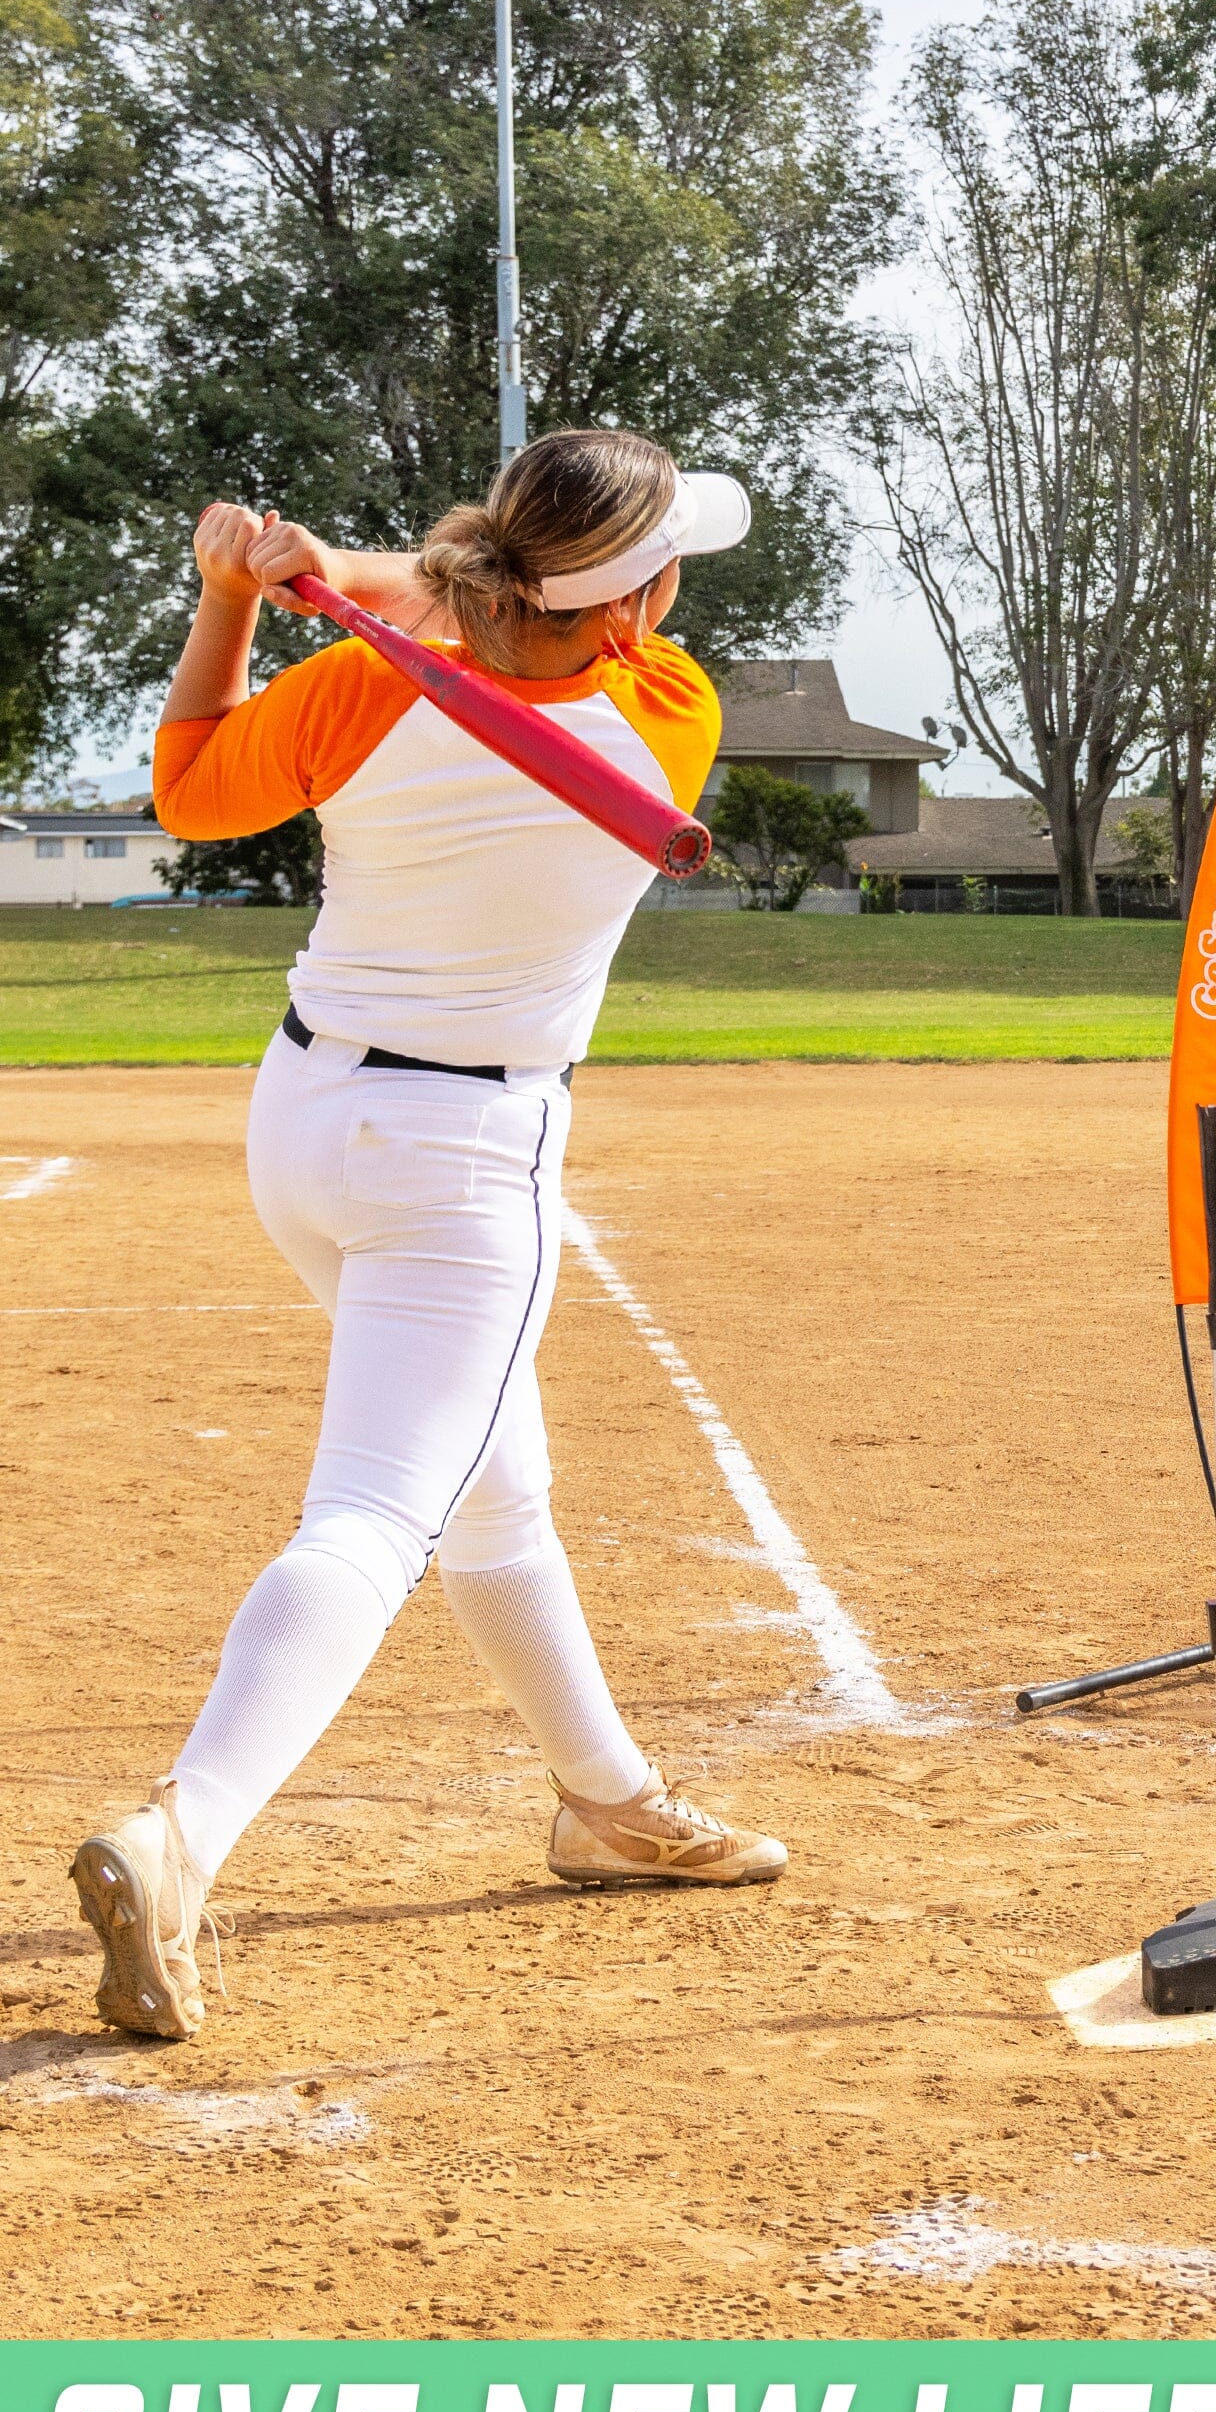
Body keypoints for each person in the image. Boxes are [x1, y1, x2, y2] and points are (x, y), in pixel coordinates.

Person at [71, 429, 789, 2046]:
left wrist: (233, 597)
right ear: (635, 605)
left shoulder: (360, 687)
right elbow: (496, 610)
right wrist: (328, 575)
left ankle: (608, 1802)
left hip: (305, 1124)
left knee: (494, 1486)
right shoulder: (667, 714)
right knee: (379, 1514)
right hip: (463, 1165)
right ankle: (183, 1835)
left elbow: (190, 786)